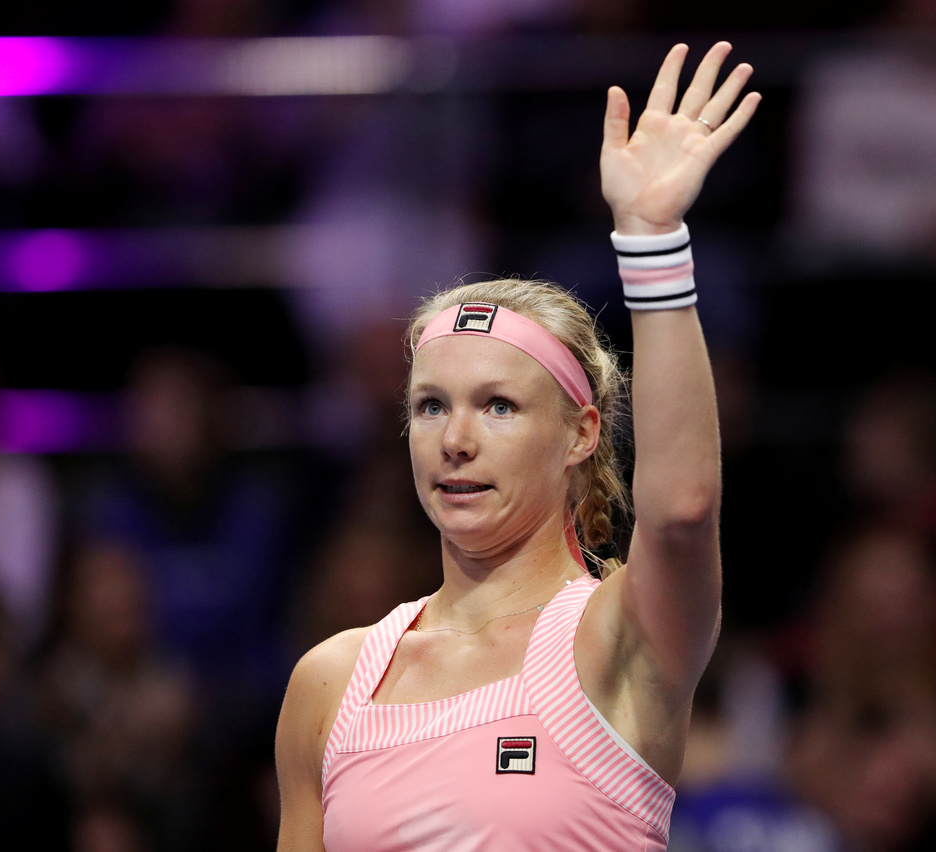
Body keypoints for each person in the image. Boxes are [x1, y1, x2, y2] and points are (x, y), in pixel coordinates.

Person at [275, 42, 760, 850]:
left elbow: (681, 510)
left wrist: (651, 239)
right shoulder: (330, 681)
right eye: (431, 406)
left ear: (581, 433)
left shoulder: (621, 637)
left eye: (498, 406)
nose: (455, 440)